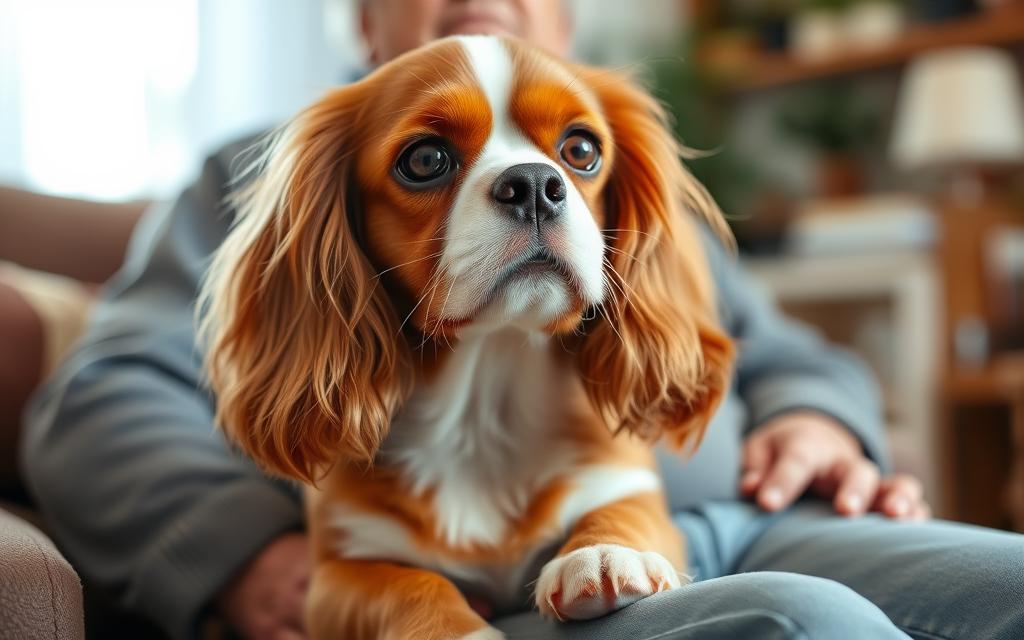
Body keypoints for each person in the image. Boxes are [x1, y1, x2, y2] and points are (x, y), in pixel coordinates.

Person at [18, 1, 1024, 639]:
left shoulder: (628, 173)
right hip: (518, 601)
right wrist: (242, 553)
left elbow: (784, 350)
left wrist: (816, 418)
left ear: (566, 25)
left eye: (571, 157)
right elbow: (98, 398)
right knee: (803, 626)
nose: (537, 184)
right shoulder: (264, 173)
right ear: (365, 21)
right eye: (426, 161)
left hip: (754, 524)